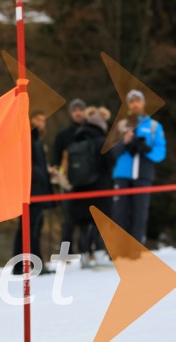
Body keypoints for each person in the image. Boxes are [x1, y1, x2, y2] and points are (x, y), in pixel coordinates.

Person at [111, 89, 167, 244]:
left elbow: (161, 153)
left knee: (140, 214)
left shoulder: (155, 126)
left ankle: (136, 248)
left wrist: (147, 150)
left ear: (143, 103)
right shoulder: (121, 125)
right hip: (122, 175)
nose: (135, 104)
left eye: (138, 101)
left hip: (143, 175)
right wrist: (125, 142)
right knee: (120, 212)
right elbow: (111, 152)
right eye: (131, 101)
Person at [62, 106, 114, 267]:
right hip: (100, 189)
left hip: (79, 190)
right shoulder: (102, 141)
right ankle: (98, 254)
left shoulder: (75, 140)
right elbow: (111, 163)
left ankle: (84, 257)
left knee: (84, 224)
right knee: (100, 222)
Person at [13, 110, 54, 274]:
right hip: (33, 192)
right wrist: (41, 175)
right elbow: (27, 165)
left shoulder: (37, 140)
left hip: (36, 190)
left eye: (43, 120)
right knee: (30, 230)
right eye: (37, 119)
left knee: (30, 229)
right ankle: (32, 265)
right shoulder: (29, 138)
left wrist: (46, 172)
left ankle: (22, 265)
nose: (40, 123)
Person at [52, 99, 87, 251]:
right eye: (75, 110)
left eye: (80, 110)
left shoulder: (91, 133)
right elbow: (55, 159)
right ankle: (66, 253)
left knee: (87, 219)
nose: (78, 113)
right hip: (68, 183)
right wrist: (60, 177)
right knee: (68, 219)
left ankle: (86, 251)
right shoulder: (63, 136)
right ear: (71, 113)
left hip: (87, 182)